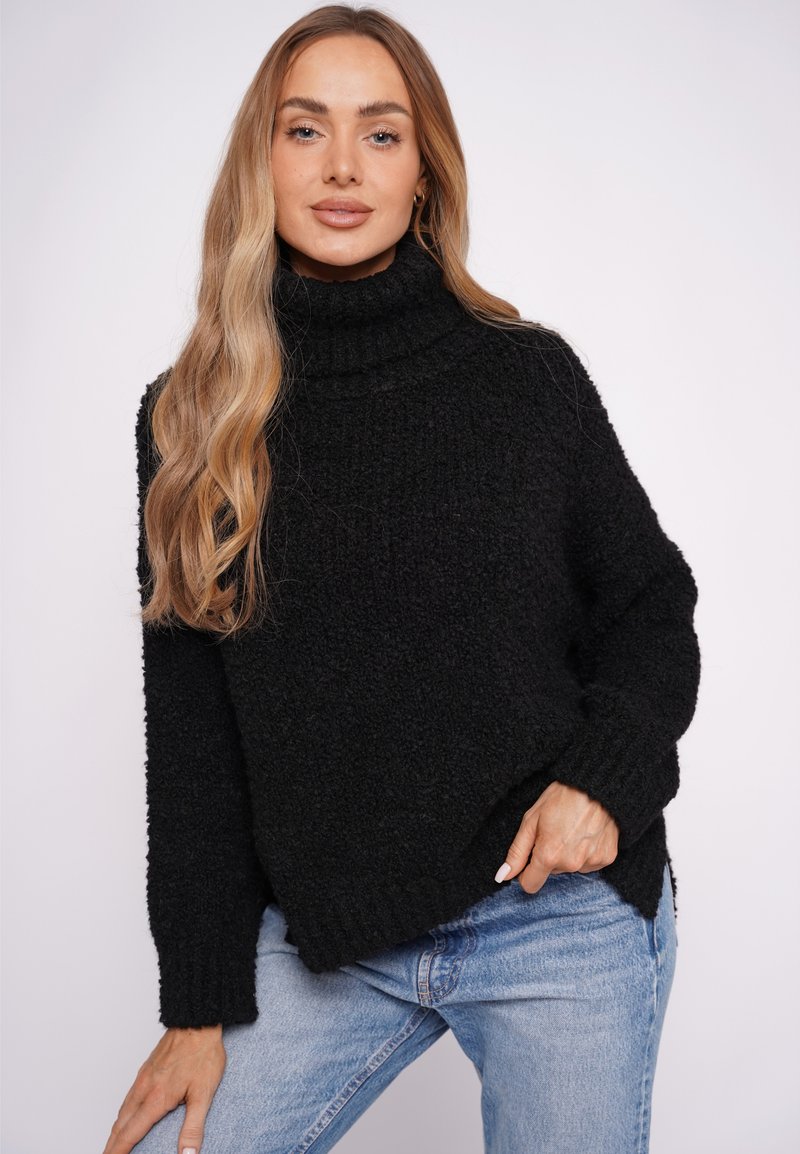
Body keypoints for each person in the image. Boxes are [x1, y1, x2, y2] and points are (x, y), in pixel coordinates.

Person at [103, 5, 701, 1153]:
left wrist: (602, 779)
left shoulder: (523, 377)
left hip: (549, 911)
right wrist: (195, 1003)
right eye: (304, 129)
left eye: (379, 134)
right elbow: (192, 733)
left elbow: (648, 604)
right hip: (333, 930)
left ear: (421, 170)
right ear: (260, 161)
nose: (341, 166)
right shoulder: (190, 418)